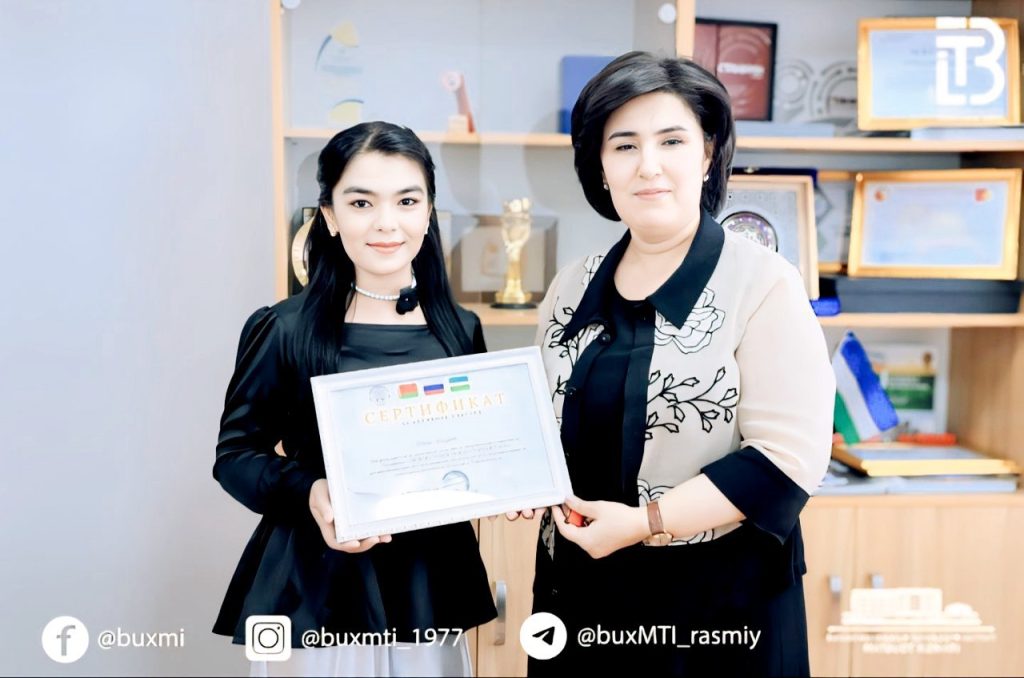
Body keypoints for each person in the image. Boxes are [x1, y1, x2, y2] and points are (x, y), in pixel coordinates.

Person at [522, 52, 835, 676]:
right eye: (624, 145)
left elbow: (787, 461)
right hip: (578, 593)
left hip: (717, 606)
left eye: (671, 140)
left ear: (707, 153)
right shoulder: (571, 286)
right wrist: (521, 477)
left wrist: (646, 522)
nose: (649, 166)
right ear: (600, 166)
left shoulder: (764, 282)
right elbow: (539, 419)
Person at [212, 122, 497, 677]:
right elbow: (235, 456)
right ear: (330, 216)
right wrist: (312, 491)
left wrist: (512, 482)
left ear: (429, 212)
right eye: (361, 202)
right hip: (314, 582)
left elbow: (478, 453)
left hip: (427, 582)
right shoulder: (284, 329)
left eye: (407, 201)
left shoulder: (460, 329)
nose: (386, 222)